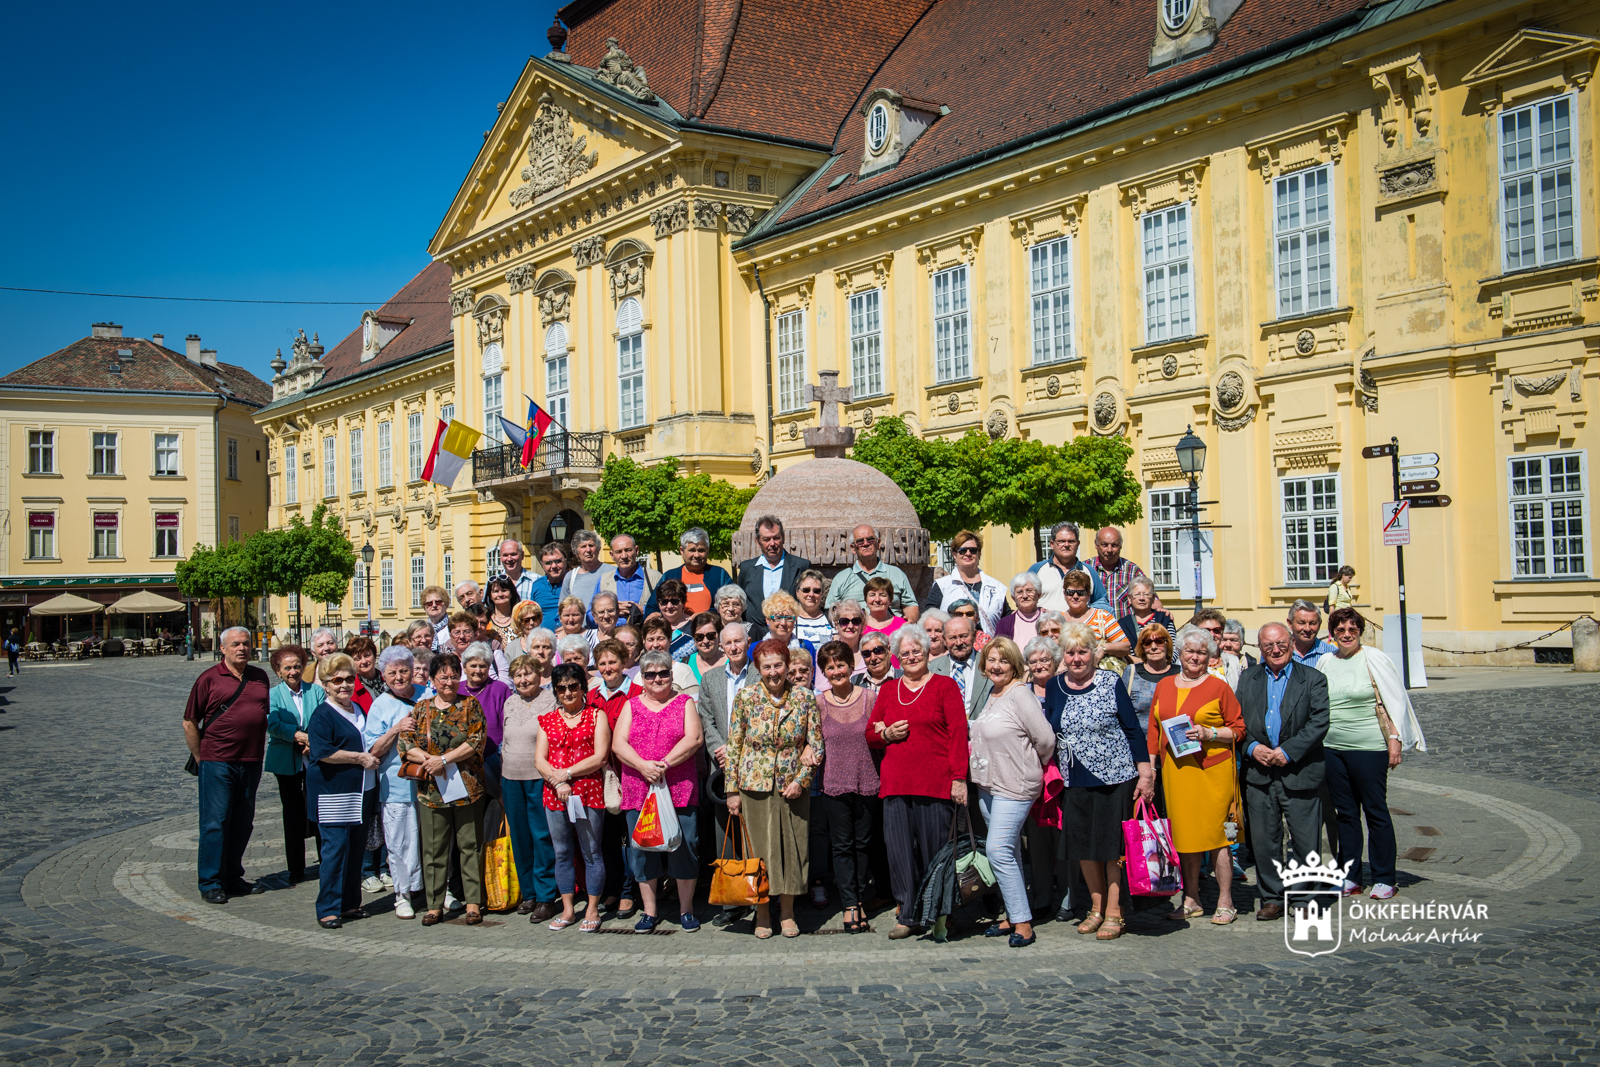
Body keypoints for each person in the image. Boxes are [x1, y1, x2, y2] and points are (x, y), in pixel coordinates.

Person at [1043, 621, 1154, 941]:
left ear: (1093, 652)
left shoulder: (1109, 681)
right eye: (1070, 652)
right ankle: (1095, 907)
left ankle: (1115, 912)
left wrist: (1144, 772)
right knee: (1084, 848)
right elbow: (1050, 730)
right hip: (1074, 779)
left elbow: (1133, 728)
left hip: (1115, 777)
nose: (1076, 658)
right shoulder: (1054, 686)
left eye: (1082, 651)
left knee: (1111, 848)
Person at [1315, 607, 1426, 900]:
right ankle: (1351, 877)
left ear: (1360, 632)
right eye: (1341, 630)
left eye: (1352, 629)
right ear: (1333, 634)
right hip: (1332, 748)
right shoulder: (1326, 661)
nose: (1347, 635)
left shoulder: (1374, 658)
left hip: (1368, 747)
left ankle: (1385, 877)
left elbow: (1392, 700)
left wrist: (1394, 739)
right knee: (1346, 815)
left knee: (1375, 811)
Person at [867, 625, 968, 939]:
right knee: (898, 852)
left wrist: (959, 778)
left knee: (935, 852)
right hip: (896, 783)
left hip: (935, 783)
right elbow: (870, 734)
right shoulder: (888, 690)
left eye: (916, 650)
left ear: (927, 652)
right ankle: (907, 914)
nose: (910, 656)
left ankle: (940, 913)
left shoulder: (944, 686)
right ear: (896, 658)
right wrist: (886, 733)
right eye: (904, 652)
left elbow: (958, 735)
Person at [1147, 625, 1246, 924]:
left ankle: (1226, 901)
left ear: (1209, 656)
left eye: (1202, 653)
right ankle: (1191, 899)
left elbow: (1239, 729)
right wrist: (1150, 770)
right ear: (1181, 653)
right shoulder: (1164, 685)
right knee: (1185, 837)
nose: (1195, 657)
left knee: (1218, 837)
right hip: (1177, 773)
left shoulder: (1219, 687)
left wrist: (1210, 732)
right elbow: (1154, 730)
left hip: (1211, 772)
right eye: (1190, 651)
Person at [725, 638, 824, 938]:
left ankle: (789, 912)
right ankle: (763, 911)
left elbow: (817, 745)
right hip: (754, 786)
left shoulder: (805, 698)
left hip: (792, 786)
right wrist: (731, 790)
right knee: (759, 851)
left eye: (778, 665)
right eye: (766, 667)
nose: (773, 672)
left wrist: (801, 780)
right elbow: (734, 745)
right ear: (758, 669)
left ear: (787, 666)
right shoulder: (746, 697)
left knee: (792, 848)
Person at [1237, 622, 1330, 922]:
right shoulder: (1248, 678)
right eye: (1268, 646)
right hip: (1259, 771)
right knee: (1265, 840)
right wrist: (1252, 748)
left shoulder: (1313, 679)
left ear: (1291, 643)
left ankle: (1303, 897)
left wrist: (1288, 751)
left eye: (1280, 644)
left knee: (1305, 840)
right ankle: (1273, 897)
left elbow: (1319, 722)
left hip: (1299, 768)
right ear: (1259, 648)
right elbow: (1237, 722)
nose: (1275, 650)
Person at [969, 638, 1056, 948]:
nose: (996, 666)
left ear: (1015, 664)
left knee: (998, 849)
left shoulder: (1020, 694)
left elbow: (1045, 740)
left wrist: (1029, 764)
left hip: (1015, 785)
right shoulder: (993, 693)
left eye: (1003, 661)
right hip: (989, 784)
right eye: (991, 660)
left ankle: (1023, 923)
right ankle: (1012, 913)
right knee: (1010, 852)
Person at [613, 650, 705, 931]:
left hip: (678, 787)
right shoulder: (631, 705)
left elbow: (695, 738)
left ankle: (686, 909)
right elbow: (618, 744)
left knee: (685, 846)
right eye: (650, 674)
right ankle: (649, 912)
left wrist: (663, 764)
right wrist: (643, 766)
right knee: (641, 849)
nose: (657, 679)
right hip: (639, 788)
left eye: (663, 673)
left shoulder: (684, 703)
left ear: (671, 675)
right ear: (642, 677)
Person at [183, 626, 273, 905]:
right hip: (217, 761)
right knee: (215, 822)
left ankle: (233, 876)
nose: (242, 648)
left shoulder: (259, 677)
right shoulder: (209, 679)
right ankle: (210, 881)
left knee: (242, 822)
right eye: (235, 644)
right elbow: (189, 722)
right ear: (223, 648)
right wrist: (202, 757)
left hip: (251, 760)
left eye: (246, 644)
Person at [398, 652, 489, 926]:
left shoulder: (470, 705)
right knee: (434, 850)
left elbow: (476, 739)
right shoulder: (421, 708)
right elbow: (406, 743)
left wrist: (445, 759)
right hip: (432, 791)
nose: (448, 682)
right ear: (432, 679)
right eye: (442, 677)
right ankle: (434, 904)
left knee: (470, 846)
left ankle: (473, 903)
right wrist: (430, 761)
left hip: (467, 788)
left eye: (453, 676)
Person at [535, 662, 612, 931]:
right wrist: (557, 781)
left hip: (587, 792)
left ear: (583, 687)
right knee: (563, 852)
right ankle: (568, 909)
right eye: (562, 688)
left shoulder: (596, 715)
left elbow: (600, 757)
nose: (568, 692)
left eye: (573, 686)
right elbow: (539, 759)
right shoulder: (548, 719)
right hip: (555, 793)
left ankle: (592, 907)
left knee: (591, 853)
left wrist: (565, 774)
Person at [307, 653, 380, 929]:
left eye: (349, 679)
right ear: (325, 684)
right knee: (335, 850)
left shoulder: (357, 709)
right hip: (334, 792)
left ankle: (350, 903)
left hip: (363, 789)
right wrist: (359, 758)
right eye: (337, 680)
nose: (344, 685)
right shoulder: (323, 714)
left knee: (355, 850)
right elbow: (323, 752)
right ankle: (328, 907)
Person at [814, 639, 879, 934]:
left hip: (867, 781)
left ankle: (862, 898)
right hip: (834, 784)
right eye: (831, 667)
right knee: (841, 847)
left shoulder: (869, 698)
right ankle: (850, 904)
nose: (837, 670)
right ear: (824, 673)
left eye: (841, 664)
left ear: (852, 667)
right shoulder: (819, 704)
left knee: (864, 845)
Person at [693, 621, 752, 927]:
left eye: (738, 641)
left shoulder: (760, 674)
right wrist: (722, 748)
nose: (733, 647)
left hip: (755, 763)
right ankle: (732, 902)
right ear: (721, 645)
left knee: (754, 832)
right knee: (725, 835)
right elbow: (705, 717)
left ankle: (758, 893)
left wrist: (739, 751)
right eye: (727, 642)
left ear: (747, 641)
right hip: (722, 764)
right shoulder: (711, 678)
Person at [363, 646, 424, 919]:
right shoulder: (380, 705)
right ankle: (402, 895)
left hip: (431, 785)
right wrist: (396, 729)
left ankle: (438, 889)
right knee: (399, 841)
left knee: (432, 840)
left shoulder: (428, 695)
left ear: (413, 671)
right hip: (396, 784)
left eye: (403, 671)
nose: (399, 677)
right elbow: (373, 750)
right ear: (384, 675)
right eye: (392, 673)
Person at [499, 653, 560, 923]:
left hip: (539, 778)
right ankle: (529, 894)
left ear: (539, 674)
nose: (523, 679)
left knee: (542, 837)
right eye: (518, 675)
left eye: (528, 673)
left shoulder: (550, 701)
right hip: (510, 779)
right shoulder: (510, 702)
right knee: (520, 838)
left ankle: (547, 896)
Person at [1020, 635, 1073, 922]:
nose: (1040, 664)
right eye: (1034, 660)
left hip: (1064, 774)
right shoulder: (1022, 693)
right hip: (1031, 775)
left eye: (1045, 659)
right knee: (1037, 839)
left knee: (1063, 837)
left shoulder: (1065, 689)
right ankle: (1041, 897)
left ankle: (1068, 898)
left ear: (1056, 662)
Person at [265, 644, 323, 885]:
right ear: (278, 671)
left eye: (297, 666)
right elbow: (273, 723)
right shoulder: (272, 695)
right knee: (292, 814)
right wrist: (298, 736)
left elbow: (321, 718)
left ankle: (326, 862)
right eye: (287, 668)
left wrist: (313, 740)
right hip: (286, 761)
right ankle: (296, 867)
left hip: (314, 758)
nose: (293, 671)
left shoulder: (315, 691)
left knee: (320, 812)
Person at [825, 524, 919, 622]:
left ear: (878, 543)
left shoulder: (897, 574)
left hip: (892, 633)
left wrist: (909, 623)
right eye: (860, 541)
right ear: (853, 548)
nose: (866, 544)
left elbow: (910, 605)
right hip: (856, 633)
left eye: (870, 539)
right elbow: (830, 610)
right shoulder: (841, 578)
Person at [733, 515, 814, 629]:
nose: (772, 543)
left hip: (789, 632)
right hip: (755, 635)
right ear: (758, 541)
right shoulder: (747, 568)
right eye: (766, 539)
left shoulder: (801, 566)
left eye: (776, 538)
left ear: (783, 538)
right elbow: (741, 601)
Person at [926, 529, 1009, 633]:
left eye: (973, 550)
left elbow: (1008, 621)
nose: (968, 553)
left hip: (988, 647)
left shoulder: (996, 587)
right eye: (963, 550)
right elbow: (929, 619)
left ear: (979, 554)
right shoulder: (942, 585)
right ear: (954, 555)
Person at [647, 528, 730, 617]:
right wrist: (654, 615)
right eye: (692, 550)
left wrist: (706, 616)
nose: (697, 555)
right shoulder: (669, 576)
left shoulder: (720, 575)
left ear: (708, 551)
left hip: (710, 629)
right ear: (682, 551)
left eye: (701, 550)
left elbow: (731, 604)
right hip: (675, 630)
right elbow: (652, 606)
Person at [1031, 522, 1106, 613]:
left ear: (1078, 544)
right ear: (1052, 544)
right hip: (1045, 625)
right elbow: (1024, 600)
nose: (1066, 545)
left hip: (1079, 626)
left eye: (1071, 541)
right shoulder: (1036, 570)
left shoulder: (1088, 571)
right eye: (1061, 541)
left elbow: (1102, 603)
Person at [1121, 624, 1181, 734]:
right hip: (1141, 743)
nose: (1153, 647)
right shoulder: (1132, 672)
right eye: (1147, 643)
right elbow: (1122, 711)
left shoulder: (1180, 673)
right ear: (1142, 647)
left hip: (1174, 742)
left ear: (1167, 644)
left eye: (1159, 641)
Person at [930, 613, 992, 718]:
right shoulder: (931, 669)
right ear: (944, 640)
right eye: (952, 638)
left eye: (964, 636)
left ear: (974, 635)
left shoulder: (989, 665)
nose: (958, 643)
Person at [1061, 570, 1130, 663]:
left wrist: (1104, 648)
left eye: (1080, 592)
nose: (1075, 596)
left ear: (1089, 594)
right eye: (1070, 592)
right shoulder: (1058, 620)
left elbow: (1125, 647)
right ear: (1064, 594)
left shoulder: (1103, 617)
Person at [1088, 527, 1156, 619]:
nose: (1109, 550)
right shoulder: (1086, 569)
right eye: (1104, 545)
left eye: (1114, 545)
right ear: (1096, 545)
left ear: (1121, 546)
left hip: (1125, 631)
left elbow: (1152, 599)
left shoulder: (1132, 570)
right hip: (1094, 630)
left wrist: (1162, 612)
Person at [600, 533, 660, 620]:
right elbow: (591, 614)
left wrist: (643, 610)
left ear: (637, 550)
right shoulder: (604, 581)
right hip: (613, 633)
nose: (624, 556)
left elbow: (669, 610)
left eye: (628, 550)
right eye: (618, 552)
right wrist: (611, 611)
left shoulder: (656, 578)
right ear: (612, 555)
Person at [1116, 576, 1177, 652]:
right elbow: (1124, 654)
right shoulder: (1122, 624)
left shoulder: (1164, 619)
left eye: (1146, 594)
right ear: (1129, 599)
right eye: (1137, 594)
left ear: (1153, 598)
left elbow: (1174, 650)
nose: (1141, 598)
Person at [641, 616, 699, 696]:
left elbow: (695, 705)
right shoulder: (639, 674)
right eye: (650, 640)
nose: (655, 645)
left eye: (660, 639)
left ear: (669, 640)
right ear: (644, 641)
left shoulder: (683, 671)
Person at [559, 530, 609, 615]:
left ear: (598, 548)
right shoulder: (570, 577)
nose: (588, 550)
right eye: (583, 546)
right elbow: (562, 608)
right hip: (580, 627)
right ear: (576, 552)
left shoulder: (612, 571)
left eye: (591, 545)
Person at [994, 573, 1043, 648]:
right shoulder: (1004, 624)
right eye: (1019, 592)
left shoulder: (1049, 619)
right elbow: (1000, 651)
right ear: (1013, 598)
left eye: (1029, 590)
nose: (1025, 596)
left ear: (1038, 595)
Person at [652, 579, 697, 659]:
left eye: (674, 601)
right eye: (664, 602)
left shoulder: (694, 626)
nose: (669, 606)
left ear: (683, 602)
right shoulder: (652, 626)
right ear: (658, 603)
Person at [861, 576, 909, 648]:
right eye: (872, 595)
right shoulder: (859, 625)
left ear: (890, 600)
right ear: (866, 601)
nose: (877, 599)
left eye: (882, 595)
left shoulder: (902, 625)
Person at [528, 542, 570, 621]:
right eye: (548, 563)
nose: (553, 566)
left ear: (565, 560)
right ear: (542, 565)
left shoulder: (573, 582)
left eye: (558, 561)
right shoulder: (538, 585)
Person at [1289, 599, 1335, 666]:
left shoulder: (1332, 654)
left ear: (1319, 624)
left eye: (1312, 623)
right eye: (1301, 623)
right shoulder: (1278, 653)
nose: (1307, 629)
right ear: (1290, 624)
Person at [684, 612, 724, 689]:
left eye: (710, 635)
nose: (705, 641)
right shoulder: (686, 664)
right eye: (699, 637)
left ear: (719, 636)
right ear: (693, 639)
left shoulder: (731, 663)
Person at [793, 570, 834, 646]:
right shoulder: (789, 619)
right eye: (806, 590)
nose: (811, 594)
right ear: (797, 593)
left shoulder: (831, 618)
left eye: (816, 591)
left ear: (822, 594)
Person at [345, 636, 384, 711]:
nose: (364, 661)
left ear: (375, 656)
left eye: (367, 656)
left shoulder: (387, 679)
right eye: (358, 658)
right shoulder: (351, 688)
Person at [497, 539, 536, 603]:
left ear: (522, 555)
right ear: (500, 557)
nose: (509, 559)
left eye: (513, 554)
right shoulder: (493, 582)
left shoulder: (536, 580)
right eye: (505, 555)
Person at [421, 586, 452, 650]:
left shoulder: (453, 627)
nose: (434, 605)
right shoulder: (422, 630)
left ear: (446, 605)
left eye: (438, 602)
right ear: (425, 608)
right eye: (429, 603)